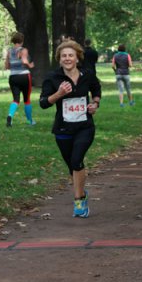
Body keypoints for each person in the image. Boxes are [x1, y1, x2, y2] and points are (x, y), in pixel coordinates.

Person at [40, 40, 101, 218]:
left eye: (70, 55)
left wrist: (95, 103)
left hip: (84, 126)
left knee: (76, 161)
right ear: (59, 59)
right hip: (63, 130)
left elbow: (96, 88)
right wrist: (58, 94)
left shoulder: (87, 74)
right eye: (64, 56)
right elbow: (43, 103)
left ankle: (79, 200)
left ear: (77, 58)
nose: (67, 58)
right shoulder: (53, 78)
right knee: (72, 167)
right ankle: (81, 191)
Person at [4, 32, 35, 127]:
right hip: (24, 76)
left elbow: (7, 66)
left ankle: (10, 116)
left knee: (16, 100)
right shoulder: (23, 50)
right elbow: (24, 61)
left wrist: (14, 66)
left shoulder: (9, 51)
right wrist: (30, 65)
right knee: (27, 100)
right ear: (22, 41)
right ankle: (30, 121)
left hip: (13, 77)